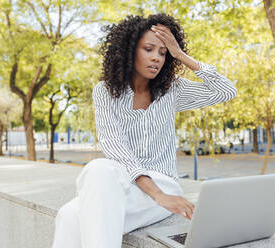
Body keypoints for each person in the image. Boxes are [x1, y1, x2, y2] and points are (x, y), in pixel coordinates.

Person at [52, 13, 237, 248]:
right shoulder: (105, 92)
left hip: (164, 184)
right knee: (92, 179)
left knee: (73, 215)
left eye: (163, 52)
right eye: (148, 49)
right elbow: (113, 145)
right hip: (122, 183)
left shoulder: (173, 90)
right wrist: (156, 195)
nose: (156, 58)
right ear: (130, 51)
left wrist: (180, 55)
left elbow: (226, 91)